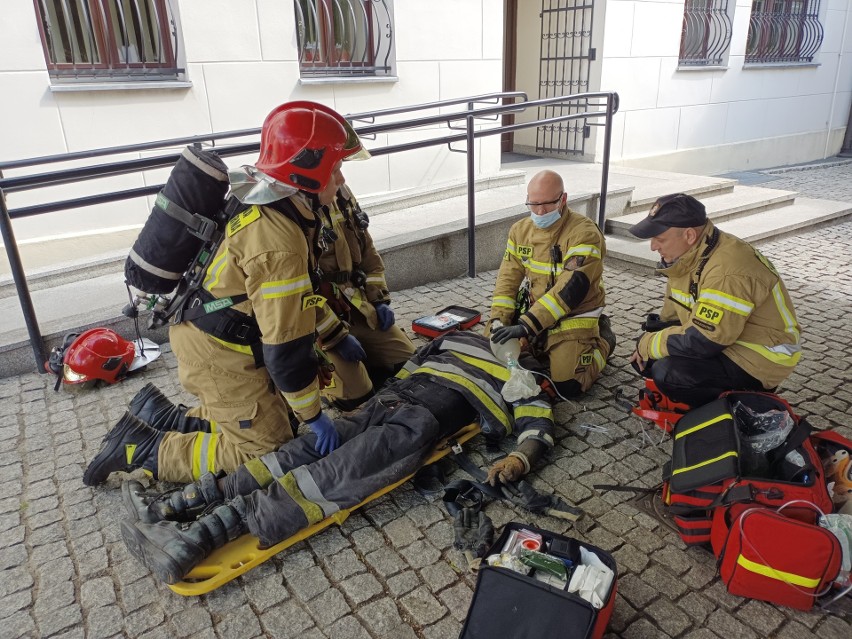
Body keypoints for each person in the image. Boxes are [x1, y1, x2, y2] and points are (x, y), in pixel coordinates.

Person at [118, 331, 557, 584]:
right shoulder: (460, 337)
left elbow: (537, 425)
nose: (510, 332)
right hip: (389, 403)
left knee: (331, 474)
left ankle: (198, 537)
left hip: (419, 422)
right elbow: (410, 363)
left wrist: (518, 460)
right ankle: (172, 507)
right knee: (296, 453)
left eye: (520, 333)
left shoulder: (522, 375)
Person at [83, 101, 370, 487]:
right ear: (308, 170)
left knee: (279, 416)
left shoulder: (269, 195)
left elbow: (295, 298)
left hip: (219, 333)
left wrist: (335, 334)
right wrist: (315, 417)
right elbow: (286, 349)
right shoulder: (279, 240)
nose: (340, 181)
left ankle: (167, 417)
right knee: (265, 451)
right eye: (335, 169)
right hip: (218, 352)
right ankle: (143, 449)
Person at [628, 192, 801, 407]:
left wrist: (649, 344)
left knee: (669, 373)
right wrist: (649, 340)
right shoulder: (690, 254)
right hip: (726, 339)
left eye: (659, 239)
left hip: (759, 357)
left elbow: (703, 340)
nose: (653, 246)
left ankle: (735, 406)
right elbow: (675, 313)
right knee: (649, 360)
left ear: (689, 235)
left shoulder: (727, 271)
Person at [487, 169, 615, 399]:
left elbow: (571, 288)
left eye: (546, 204)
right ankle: (540, 343)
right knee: (497, 360)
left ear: (563, 199)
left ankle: (604, 340)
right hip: (537, 313)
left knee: (569, 387)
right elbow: (508, 277)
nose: (539, 211)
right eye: (533, 204)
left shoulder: (584, 233)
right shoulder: (520, 231)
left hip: (575, 316)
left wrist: (526, 325)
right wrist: (498, 320)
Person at [313, 183, 415, 411]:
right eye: (334, 169)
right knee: (357, 397)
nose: (340, 177)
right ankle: (325, 384)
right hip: (319, 323)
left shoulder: (340, 192)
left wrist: (378, 300)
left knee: (409, 363)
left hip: (355, 305)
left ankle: (366, 361)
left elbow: (368, 249)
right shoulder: (293, 210)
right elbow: (297, 296)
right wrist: (335, 337)